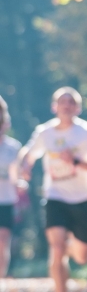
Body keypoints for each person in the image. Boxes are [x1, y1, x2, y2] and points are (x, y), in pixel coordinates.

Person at [17, 87, 87, 292]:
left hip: (83, 197)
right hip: (55, 195)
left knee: (82, 257)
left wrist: (76, 161)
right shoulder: (44, 132)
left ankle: (70, 247)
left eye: (71, 102)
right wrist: (24, 167)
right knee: (56, 247)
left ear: (77, 108)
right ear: (53, 107)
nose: (66, 105)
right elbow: (28, 152)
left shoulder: (86, 132)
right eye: (61, 102)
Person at [0, 95, 23, 280]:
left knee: (2, 241)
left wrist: (21, 183)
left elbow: (17, 176)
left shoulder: (13, 148)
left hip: (6, 200)